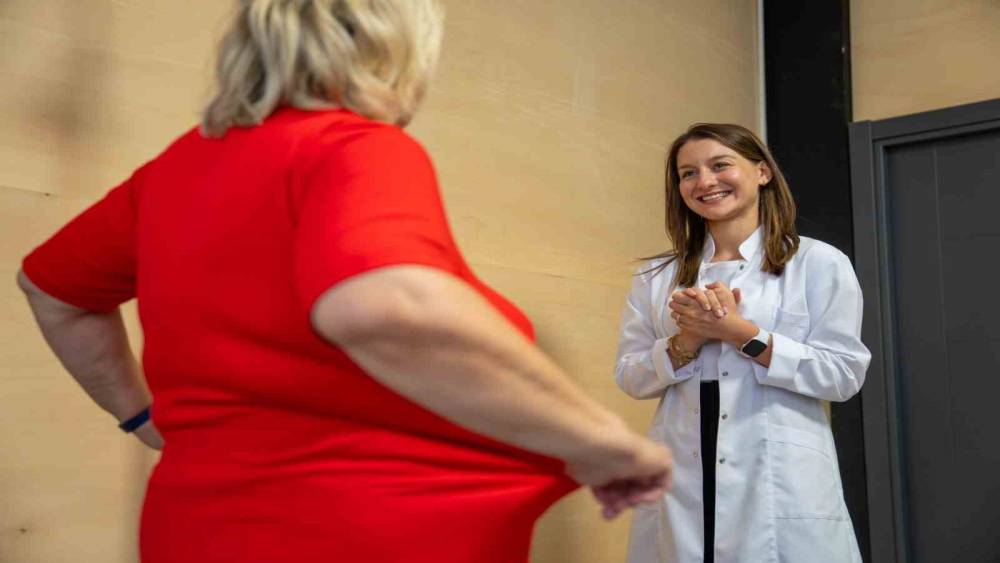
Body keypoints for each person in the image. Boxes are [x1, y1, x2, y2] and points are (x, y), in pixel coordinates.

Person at [16, 1, 672, 562]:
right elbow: (384, 308)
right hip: (355, 534)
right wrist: (601, 442)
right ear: (397, 48)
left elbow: (51, 291)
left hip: (193, 530)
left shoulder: (170, 174)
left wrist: (142, 416)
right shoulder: (350, 145)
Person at [614, 122, 871, 563]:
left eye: (720, 165)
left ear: (762, 172)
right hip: (684, 472)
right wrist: (687, 339)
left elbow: (843, 375)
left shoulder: (817, 263)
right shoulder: (656, 277)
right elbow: (631, 377)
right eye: (688, 173)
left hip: (779, 476)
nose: (705, 182)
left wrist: (741, 334)